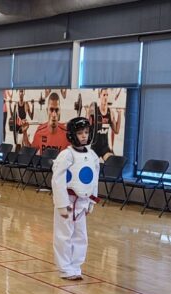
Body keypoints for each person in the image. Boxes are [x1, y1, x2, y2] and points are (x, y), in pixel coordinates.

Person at [52, 117, 100, 281]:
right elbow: (58, 180)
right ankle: (65, 268)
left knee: (81, 235)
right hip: (68, 200)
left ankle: (76, 266)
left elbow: (94, 179)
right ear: (72, 135)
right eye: (80, 133)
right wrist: (61, 204)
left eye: (86, 132)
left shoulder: (92, 156)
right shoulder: (66, 155)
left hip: (82, 202)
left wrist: (92, 200)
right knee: (64, 235)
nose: (84, 136)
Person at [89, 88, 123, 161]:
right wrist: (87, 112)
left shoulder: (110, 112)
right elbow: (87, 128)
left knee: (111, 162)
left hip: (105, 147)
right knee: (91, 164)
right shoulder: (94, 111)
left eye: (107, 95)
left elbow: (116, 131)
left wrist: (119, 114)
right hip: (95, 147)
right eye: (104, 95)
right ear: (100, 96)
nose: (106, 97)